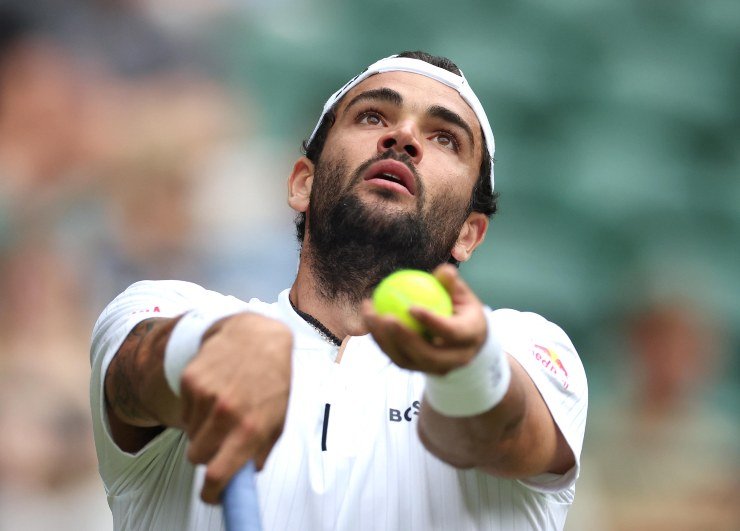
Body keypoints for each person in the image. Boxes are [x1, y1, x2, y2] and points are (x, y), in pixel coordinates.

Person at [90, 51, 588, 530]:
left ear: (469, 233)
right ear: (302, 183)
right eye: (373, 117)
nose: (404, 136)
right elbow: (135, 379)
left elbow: (500, 429)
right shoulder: (174, 309)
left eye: (445, 138)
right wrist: (201, 348)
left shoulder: (522, 347)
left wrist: (468, 366)